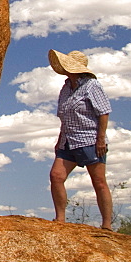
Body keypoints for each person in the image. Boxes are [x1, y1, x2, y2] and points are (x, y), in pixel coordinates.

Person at [48, 49, 113, 229]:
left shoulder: (92, 86)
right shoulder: (66, 87)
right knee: (56, 175)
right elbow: (64, 115)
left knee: (99, 181)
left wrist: (100, 139)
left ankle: (107, 225)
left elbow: (103, 112)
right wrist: (60, 138)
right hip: (68, 140)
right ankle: (60, 219)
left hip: (89, 139)